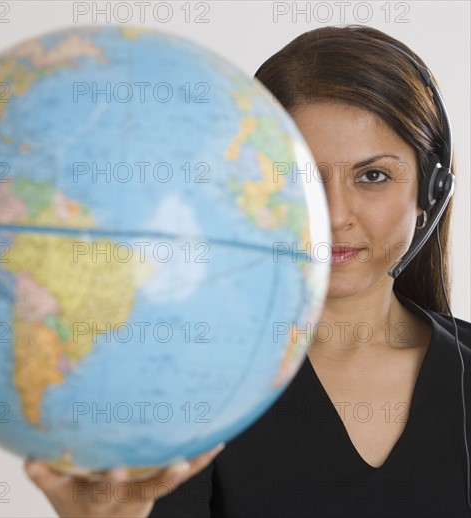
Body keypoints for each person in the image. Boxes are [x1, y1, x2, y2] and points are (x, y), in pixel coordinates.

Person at [23, 25, 471, 517]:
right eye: (298, 178)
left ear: (430, 192)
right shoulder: (185, 384)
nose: (335, 213)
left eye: (373, 176)